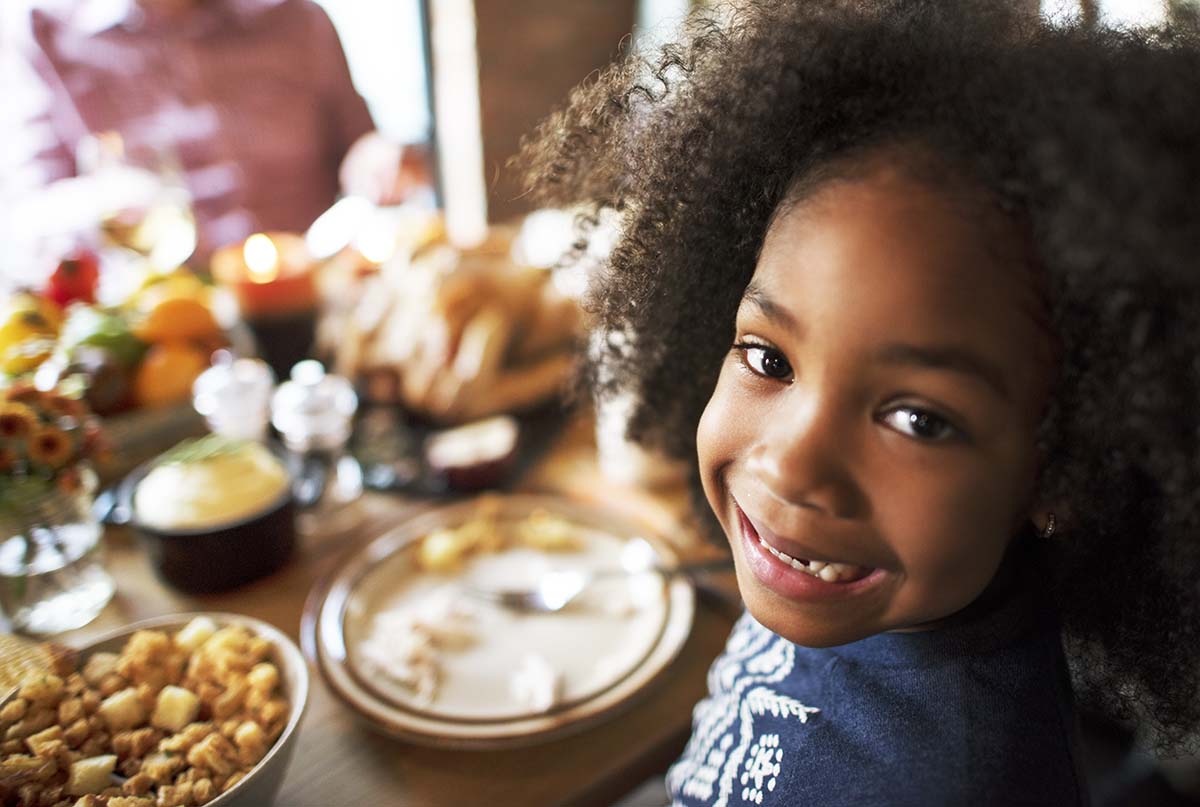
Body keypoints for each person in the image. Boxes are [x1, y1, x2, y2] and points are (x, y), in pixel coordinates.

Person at [519, 1, 1200, 804]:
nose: (791, 462)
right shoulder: (843, 583)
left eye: (918, 418)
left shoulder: (941, 781)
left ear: (1067, 471)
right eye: (770, 359)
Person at [4, 0, 429, 260]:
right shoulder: (43, 34)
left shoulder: (298, 19)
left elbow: (358, 147)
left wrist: (378, 162)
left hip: (314, 301)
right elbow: (26, 218)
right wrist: (106, 202)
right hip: (162, 336)